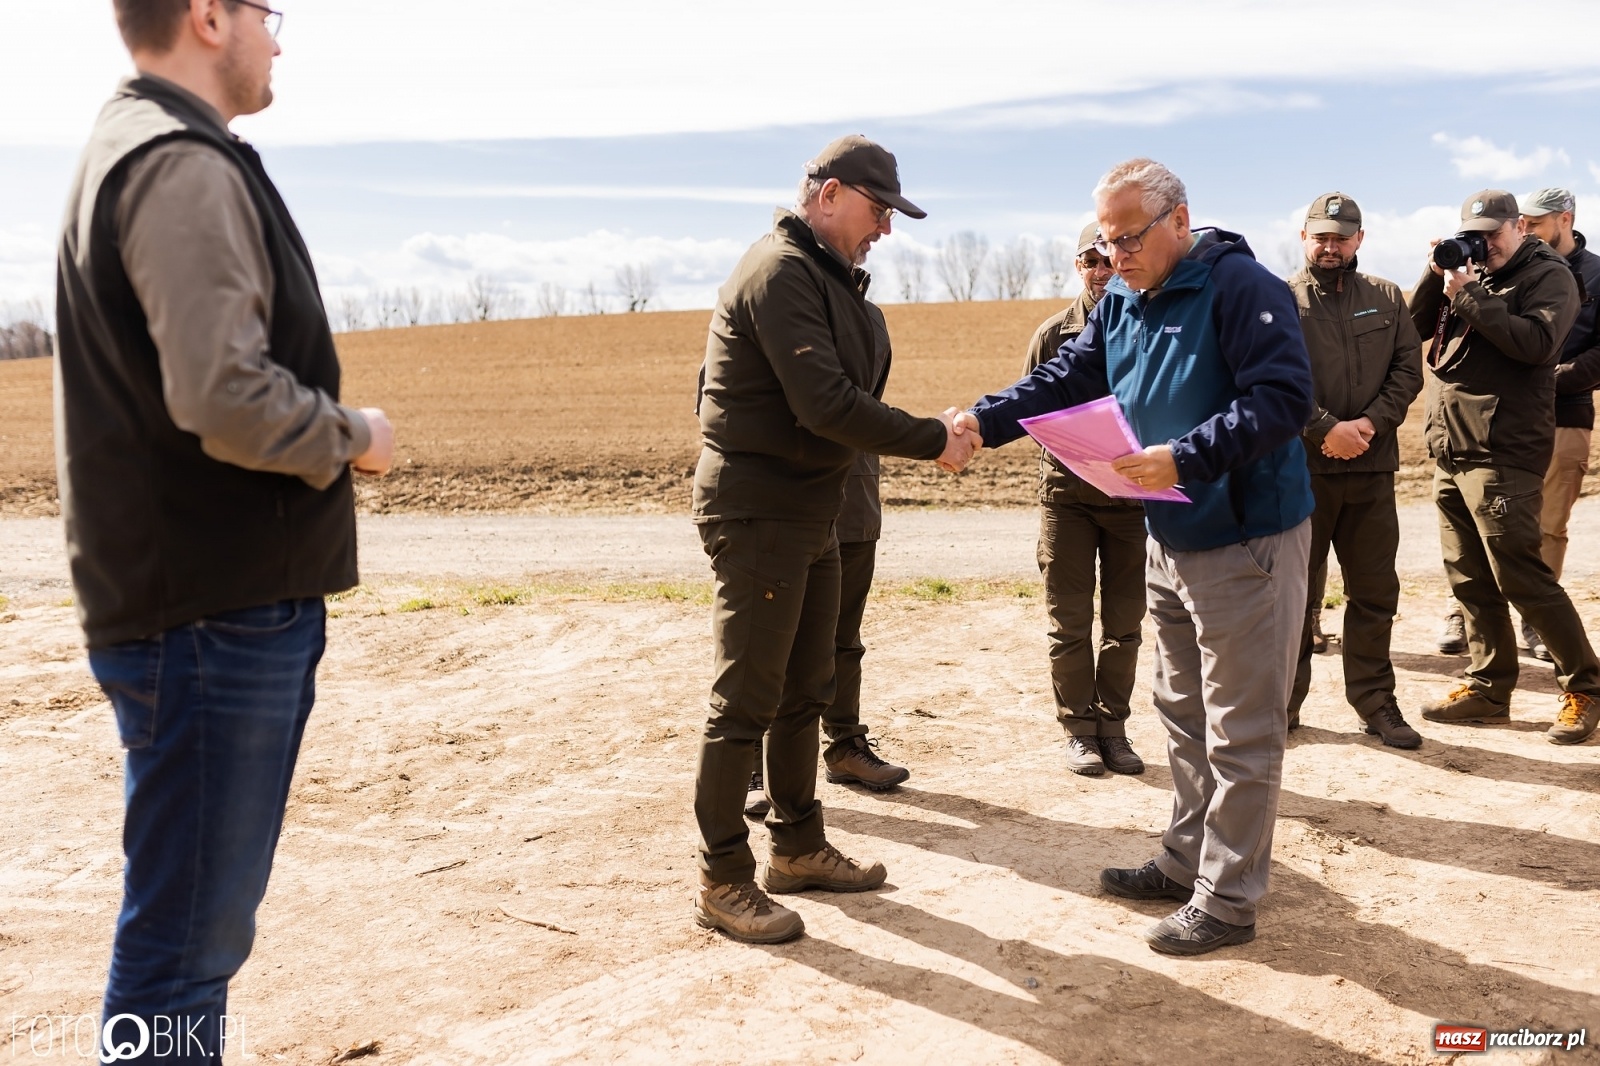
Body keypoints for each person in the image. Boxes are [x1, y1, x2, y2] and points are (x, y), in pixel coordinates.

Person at [55, 1, 395, 1058]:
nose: (279, 37)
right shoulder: (175, 159)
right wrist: (353, 437)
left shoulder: (146, 144)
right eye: (266, 12)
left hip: (199, 608)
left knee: (188, 934)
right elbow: (223, 394)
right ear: (207, 14)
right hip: (211, 616)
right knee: (182, 950)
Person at [960, 159, 1314, 956]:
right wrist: (983, 423)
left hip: (1245, 536)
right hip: (1170, 534)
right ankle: (1185, 857)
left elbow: (1284, 399)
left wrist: (1184, 458)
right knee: (1182, 715)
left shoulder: (1241, 287)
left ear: (1179, 222)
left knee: (1242, 729)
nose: (1114, 255)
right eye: (1106, 241)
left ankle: (1227, 899)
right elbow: (1069, 376)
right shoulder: (1123, 297)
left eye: (1129, 238)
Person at [692, 134, 977, 944]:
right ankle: (722, 877)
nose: (884, 228)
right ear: (827, 194)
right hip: (761, 511)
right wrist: (934, 437)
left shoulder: (825, 279)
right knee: (745, 699)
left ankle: (800, 847)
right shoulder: (780, 274)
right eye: (878, 208)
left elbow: (844, 393)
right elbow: (824, 404)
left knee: (804, 691)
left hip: (810, 508)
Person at [1409, 190, 1600, 745]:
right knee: (1468, 574)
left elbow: (1538, 344)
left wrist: (1469, 296)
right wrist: (1436, 272)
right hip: (1452, 443)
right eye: (1476, 233)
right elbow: (1416, 325)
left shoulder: (1551, 276)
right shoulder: (1468, 272)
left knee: (1520, 572)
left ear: (1520, 226)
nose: (1485, 243)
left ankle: (1585, 686)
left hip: (1504, 446)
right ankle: (1489, 686)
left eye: (1495, 233)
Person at [743, 307, 913, 821]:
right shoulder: (767, 302)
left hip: (852, 498)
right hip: (781, 504)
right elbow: (722, 399)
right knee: (767, 642)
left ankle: (844, 746)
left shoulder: (868, 317)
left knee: (843, 638)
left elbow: (868, 402)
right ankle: (754, 767)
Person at [1285, 193, 1424, 748]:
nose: (1330, 245)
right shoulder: (1280, 300)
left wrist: (1366, 425)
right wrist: (1324, 429)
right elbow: (1271, 378)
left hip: (1371, 470)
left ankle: (1375, 701)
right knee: (1294, 595)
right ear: (1304, 237)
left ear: (1359, 239)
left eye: (1341, 236)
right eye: (1321, 235)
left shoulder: (1387, 298)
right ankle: (1283, 702)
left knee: (1373, 591)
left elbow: (1407, 371)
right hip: (1301, 473)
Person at [1022, 221, 1149, 777]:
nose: (1103, 270)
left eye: (1110, 258)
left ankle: (1114, 726)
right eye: (1091, 261)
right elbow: (1033, 412)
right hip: (1067, 498)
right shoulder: (1053, 334)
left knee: (1125, 622)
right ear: (1078, 266)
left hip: (1131, 501)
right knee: (1069, 620)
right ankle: (1079, 730)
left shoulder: (1148, 324)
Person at [1518, 188, 1600, 660]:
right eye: (1522, 223)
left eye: (1534, 223)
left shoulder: (1599, 274)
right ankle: (1462, 612)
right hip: (1506, 417)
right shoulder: (1512, 268)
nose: (1525, 230)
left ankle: (1536, 624)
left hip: (1566, 416)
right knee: (1486, 516)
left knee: (1549, 525)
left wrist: (1549, 380)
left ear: (1564, 219)